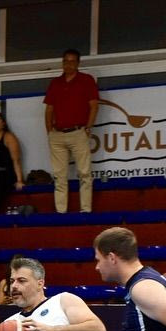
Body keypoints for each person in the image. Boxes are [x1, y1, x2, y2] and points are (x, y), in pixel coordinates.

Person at [43, 48, 99, 213]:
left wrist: (88, 127)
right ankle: (61, 212)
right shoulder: (55, 83)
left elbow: (94, 106)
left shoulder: (86, 80)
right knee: (59, 176)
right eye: (65, 61)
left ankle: (86, 210)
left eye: (72, 61)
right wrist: (49, 131)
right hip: (57, 134)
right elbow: (49, 109)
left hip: (78, 131)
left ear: (78, 63)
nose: (68, 64)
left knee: (84, 173)